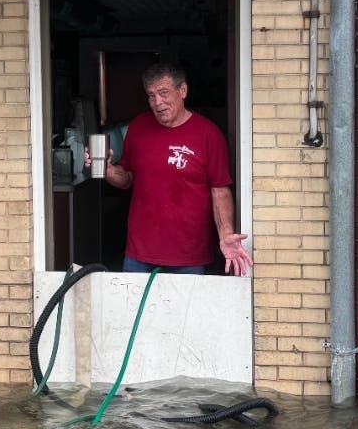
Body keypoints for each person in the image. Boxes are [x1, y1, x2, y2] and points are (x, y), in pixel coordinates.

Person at [90, 63, 253, 276]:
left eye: (164, 93)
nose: (157, 102)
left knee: (185, 310)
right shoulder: (138, 127)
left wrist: (225, 234)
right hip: (139, 253)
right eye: (151, 96)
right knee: (136, 309)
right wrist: (107, 170)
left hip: (188, 255)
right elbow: (127, 178)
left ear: (183, 91)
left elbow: (220, 190)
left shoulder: (208, 134)